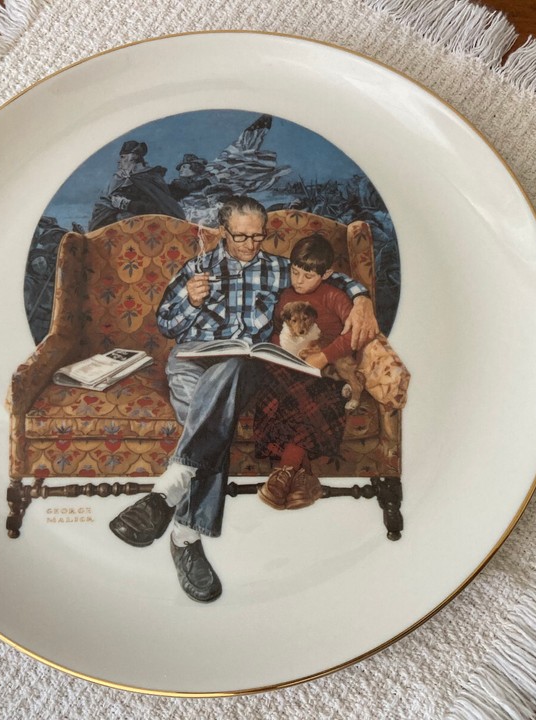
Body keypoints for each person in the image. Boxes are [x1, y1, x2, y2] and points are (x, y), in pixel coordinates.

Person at [108, 195, 379, 603]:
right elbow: (165, 323)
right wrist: (190, 301)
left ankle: (168, 502)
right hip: (191, 361)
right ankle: (183, 534)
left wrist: (361, 298)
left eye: (258, 236)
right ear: (223, 232)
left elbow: (328, 278)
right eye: (241, 237)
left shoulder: (278, 269)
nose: (251, 245)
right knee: (208, 418)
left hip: (242, 367)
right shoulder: (198, 269)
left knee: (231, 372)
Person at [253, 234, 357, 511]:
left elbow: (354, 333)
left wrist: (324, 356)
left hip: (325, 368)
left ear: (326, 274)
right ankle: (301, 477)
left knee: (315, 394)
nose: (298, 281)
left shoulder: (334, 296)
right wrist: (275, 350)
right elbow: (279, 332)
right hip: (290, 365)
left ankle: (284, 471)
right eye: (295, 272)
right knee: (275, 390)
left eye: (307, 276)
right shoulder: (286, 297)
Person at [88, 140, 185, 231]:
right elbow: (104, 201)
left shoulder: (151, 178)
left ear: (133, 157)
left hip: (145, 228)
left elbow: (159, 208)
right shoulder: (120, 179)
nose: (119, 161)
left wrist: (127, 204)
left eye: (123, 157)